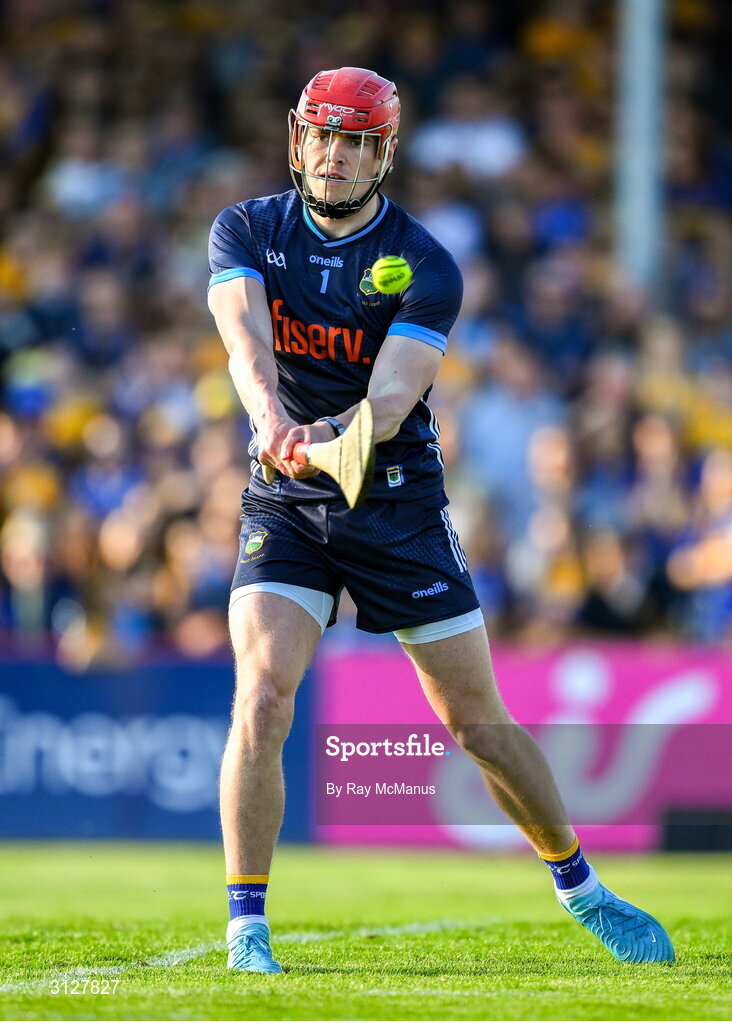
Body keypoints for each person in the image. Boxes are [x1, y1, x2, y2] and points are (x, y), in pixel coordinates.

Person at [207, 67, 674, 974]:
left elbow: (391, 396)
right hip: (287, 498)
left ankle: (581, 885)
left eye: (354, 141)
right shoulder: (249, 227)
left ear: (382, 153)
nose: (332, 156)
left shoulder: (425, 262)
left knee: (476, 725)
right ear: (298, 137)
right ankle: (247, 932)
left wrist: (336, 436)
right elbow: (243, 340)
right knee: (262, 696)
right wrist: (271, 425)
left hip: (397, 506)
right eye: (320, 135)